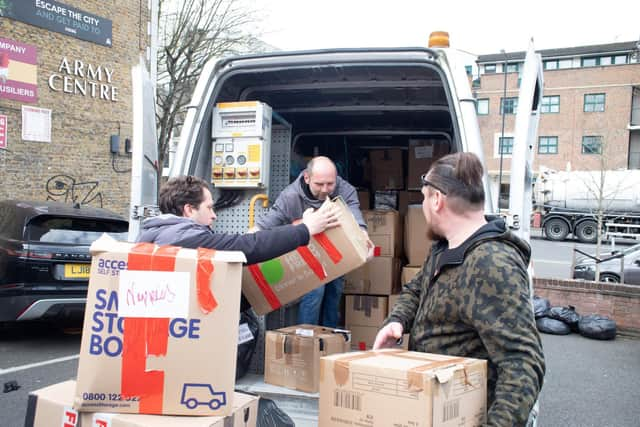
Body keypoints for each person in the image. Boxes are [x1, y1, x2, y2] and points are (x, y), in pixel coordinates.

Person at [373, 152, 545, 426]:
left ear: (437, 200)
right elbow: (417, 290)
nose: (423, 206)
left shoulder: (490, 264)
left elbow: (523, 363)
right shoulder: (445, 248)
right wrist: (397, 321)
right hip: (434, 410)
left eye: (424, 197)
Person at [253, 156, 373, 328]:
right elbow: (266, 224)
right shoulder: (290, 197)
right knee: (315, 291)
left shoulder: (345, 189)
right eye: (319, 184)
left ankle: (329, 337)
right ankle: (306, 338)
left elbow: (354, 212)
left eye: (330, 184)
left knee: (335, 290)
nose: (325, 189)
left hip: (335, 251)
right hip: (306, 252)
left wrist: (363, 235)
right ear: (307, 178)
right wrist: (243, 248)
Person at [136, 175, 339, 265]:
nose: (214, 215)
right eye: (209, 207)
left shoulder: (154, 236)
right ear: (189, 210)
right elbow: (247, 247)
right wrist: (305, 229)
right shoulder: (183, 241)